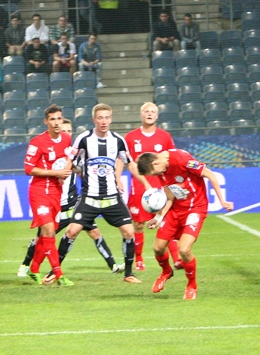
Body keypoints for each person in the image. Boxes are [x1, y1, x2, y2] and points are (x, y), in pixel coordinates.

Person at [20, 118, 125, 280]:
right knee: (44, 235)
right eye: (65, 131)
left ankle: (112, 264)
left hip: (71, 202)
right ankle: (28, 265)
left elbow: (80, 169)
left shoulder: (73, 152)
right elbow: (36, 168)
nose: (66, 134)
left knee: (93, 230)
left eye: (69, 131)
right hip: (54, 200)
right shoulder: (54, 150)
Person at [64, 103, 148, 284]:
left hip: (112, 196)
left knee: (129, 232)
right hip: (89, 196)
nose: (104, 121)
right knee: (72, 231)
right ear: (94, 119)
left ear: (111, 119)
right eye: (100, 118)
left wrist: (147, 184)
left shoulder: (118, 140)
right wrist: (62, 175)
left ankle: (128, 274)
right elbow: (70, 159)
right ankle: (55, 271)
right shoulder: (84, 138)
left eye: (107, 117)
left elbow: (130, 163)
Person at [137, 149, 233, 300]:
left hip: (195, 208)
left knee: (184, 249)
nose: (156, 176)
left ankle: (191, 285)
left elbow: (209, 174)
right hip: (175, 210)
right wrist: (158, 217)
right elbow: (170, 195)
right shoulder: (162, 169)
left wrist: (222, 200)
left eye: (154, 173)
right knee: (158, 248)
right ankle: (166, 271)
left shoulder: (182, 160)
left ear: (155, 163)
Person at [22, 105, 74, 286]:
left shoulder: (67, 139)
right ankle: (58, 275)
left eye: (59, 118)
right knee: (50, 231)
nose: (57, 122)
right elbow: (28, 169)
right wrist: (55, 173)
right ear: (46, 122)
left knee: (47, 234)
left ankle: (34, 269)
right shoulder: (37, 142)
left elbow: (70, 159)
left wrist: (66, 172)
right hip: (39, 192)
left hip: (56, 193)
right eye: (52, 119)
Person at [124, 103, 179, 271]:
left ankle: (177, 259)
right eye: (146, 111)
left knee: (165, 221)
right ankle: (139, 259)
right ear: (141, 115)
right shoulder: (131, 137)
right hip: (139, 185)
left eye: (153, 112)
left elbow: (172, 158)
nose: (149, 114)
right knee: (138, 224)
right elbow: (128, 161)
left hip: (161, 184)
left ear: (157, 116)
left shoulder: (165, 136)